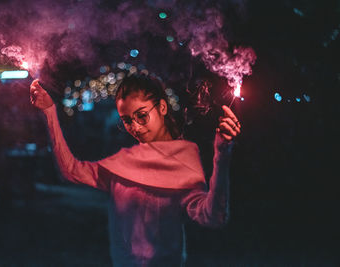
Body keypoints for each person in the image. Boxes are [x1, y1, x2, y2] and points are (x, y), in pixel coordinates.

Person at [29, 74, 241, 266]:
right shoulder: (124, 163)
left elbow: (213, 217)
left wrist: (222, 154)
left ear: (162, 108)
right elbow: (71, 171)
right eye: (127, 121)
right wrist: (49, 112)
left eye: (142, 115)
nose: (136, 127)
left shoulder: (183, 159)